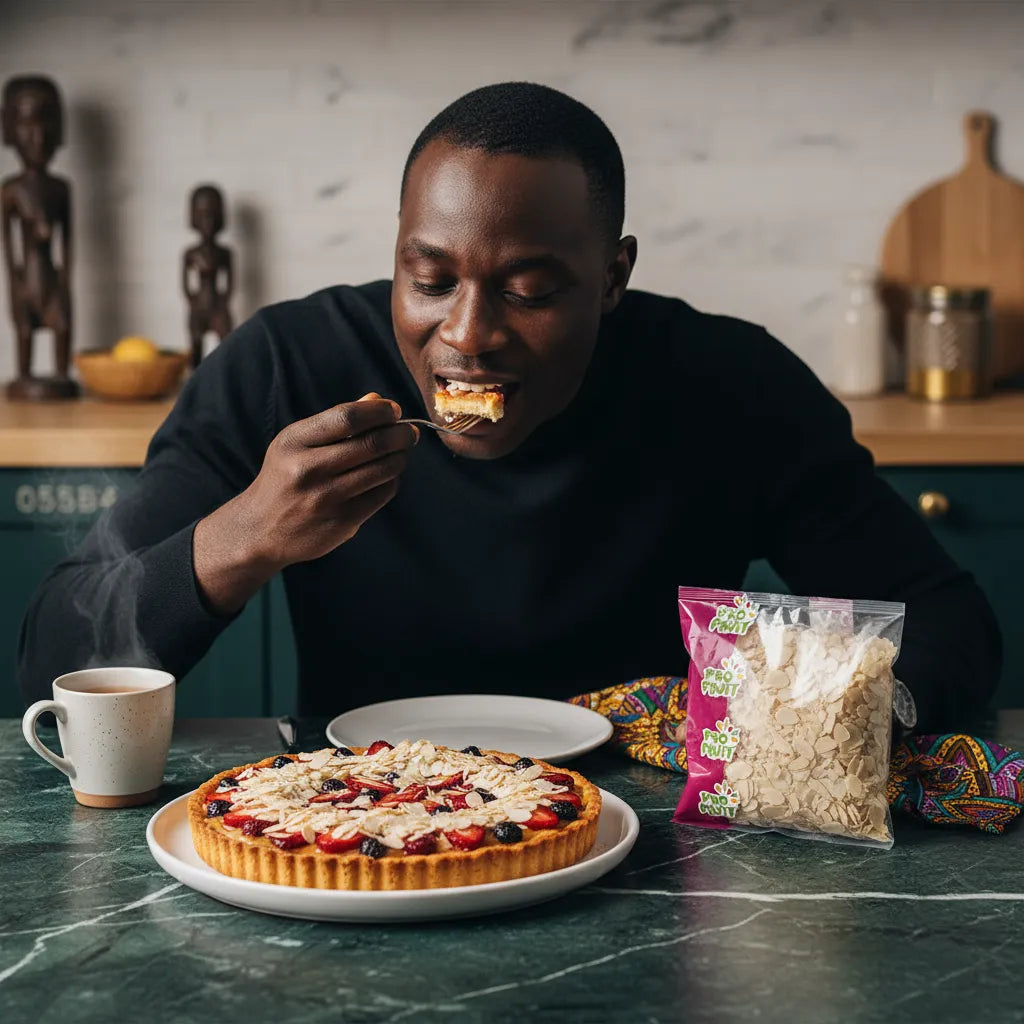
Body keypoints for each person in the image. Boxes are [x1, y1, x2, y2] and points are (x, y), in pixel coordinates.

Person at [18, 83, 1000, 732]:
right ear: (396, 253)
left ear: (611, 277)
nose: (468, 333)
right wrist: (241, 537)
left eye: (529, 287)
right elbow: (52, 655)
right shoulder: (285, 363)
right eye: (430, 276)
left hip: (650, 845)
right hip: (358, 836)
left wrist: (836, 709)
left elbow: (954, 621)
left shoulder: (729, 383)